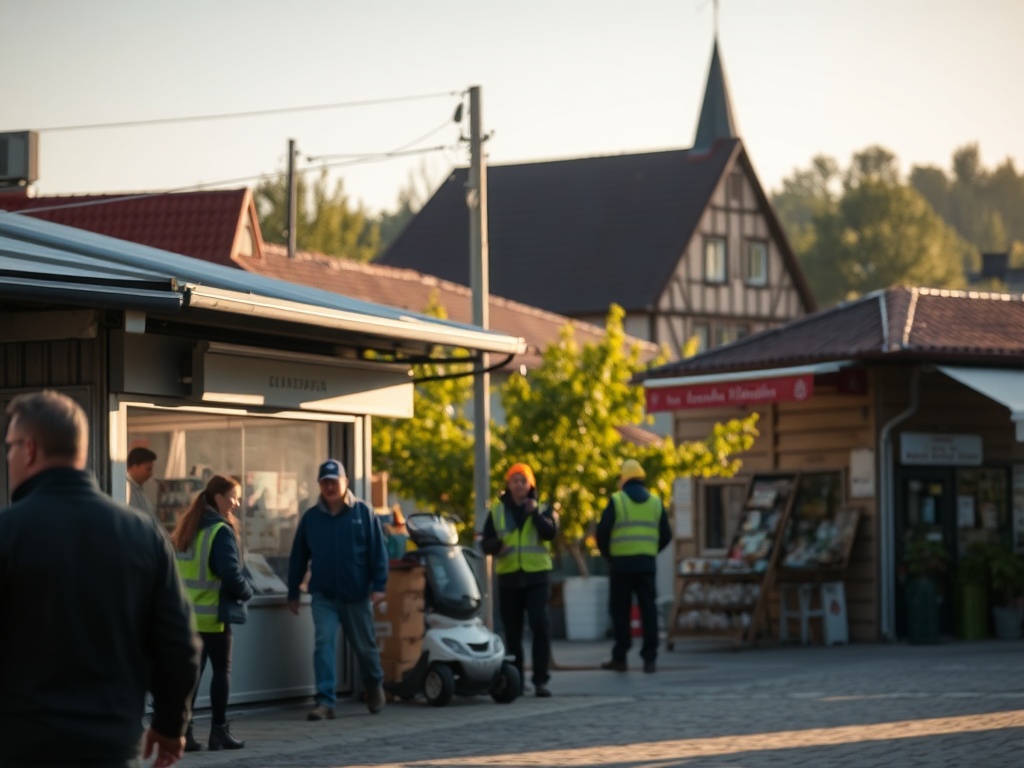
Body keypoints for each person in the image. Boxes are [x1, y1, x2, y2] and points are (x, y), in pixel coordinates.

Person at [0, 390, 200, 768]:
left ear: (28, 449)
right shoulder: (143, 536)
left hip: (20, 748)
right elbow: (180, 645)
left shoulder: (8, 533)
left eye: (8, 447)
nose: (8, 457)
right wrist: (171, 725)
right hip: (112, 747)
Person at [287, 459, 389, 719]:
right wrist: (293, 592)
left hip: (357, 594)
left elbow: (379, 553)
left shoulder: (363, 513)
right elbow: (298, 556)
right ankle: (325, 702)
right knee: (323, 643)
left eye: (335, 482)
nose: (330, 487)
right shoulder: (311, 518)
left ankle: (374, 685)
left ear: (345, 483)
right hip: (324, 595)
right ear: (319, 485)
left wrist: (379, 585)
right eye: (325, 482)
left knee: (365, 648)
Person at [171, 474, 254, 752]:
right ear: (218, 498)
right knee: (222, 671)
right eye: (233, 497)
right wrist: (247, 591)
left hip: (187, 615)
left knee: (191, 676)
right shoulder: (220, 530)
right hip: (213, 616)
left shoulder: (188, 526)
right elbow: (230, 572)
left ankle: (186, 733)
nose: (237, 503)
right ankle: (219, 732)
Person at [481, 462, 558, 698]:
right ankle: (516, 680)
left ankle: (540, 680)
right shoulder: (497, 510)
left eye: (523, 480)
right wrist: (497, 546)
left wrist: (534, 513)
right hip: (510, 577)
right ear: (508, 484)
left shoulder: (544, 508)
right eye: (514, 480)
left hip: (536, 577)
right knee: (512, 632)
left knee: (539, 624)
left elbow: (551, 533)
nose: (519, 485)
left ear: (531, 484)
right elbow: (486, 543)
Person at [596, 458, 672, 674]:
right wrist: (650, 551)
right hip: (646, 564)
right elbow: (666, 535)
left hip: (621, 565)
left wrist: (609, 555)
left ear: (624, 479)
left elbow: (602, 533)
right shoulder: (656, 502)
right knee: (648, 610)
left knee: (621, 611)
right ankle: (650, 659)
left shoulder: (617, 500)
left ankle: (620, 656)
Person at [127, 445, 158, 519]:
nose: (151, 473)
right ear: (135, 466)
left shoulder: (139, 489)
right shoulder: (126, 489)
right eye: (148, 469)